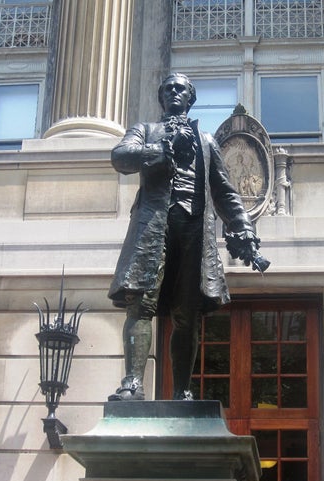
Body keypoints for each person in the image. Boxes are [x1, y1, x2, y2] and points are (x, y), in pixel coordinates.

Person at [108, 73, 268, 401]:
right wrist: (162, 150)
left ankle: (181, 389)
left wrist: (245, 227)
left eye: (179, 88)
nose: (173, 92)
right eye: (167, 88)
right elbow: (121, 156)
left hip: (194, 228)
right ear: (161, 97)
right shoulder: (146, 131)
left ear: (190, 96)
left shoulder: (206, 140)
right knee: (140, 302)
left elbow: (225, 191)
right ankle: (133, 384)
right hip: (154, 224)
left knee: (188, 312)